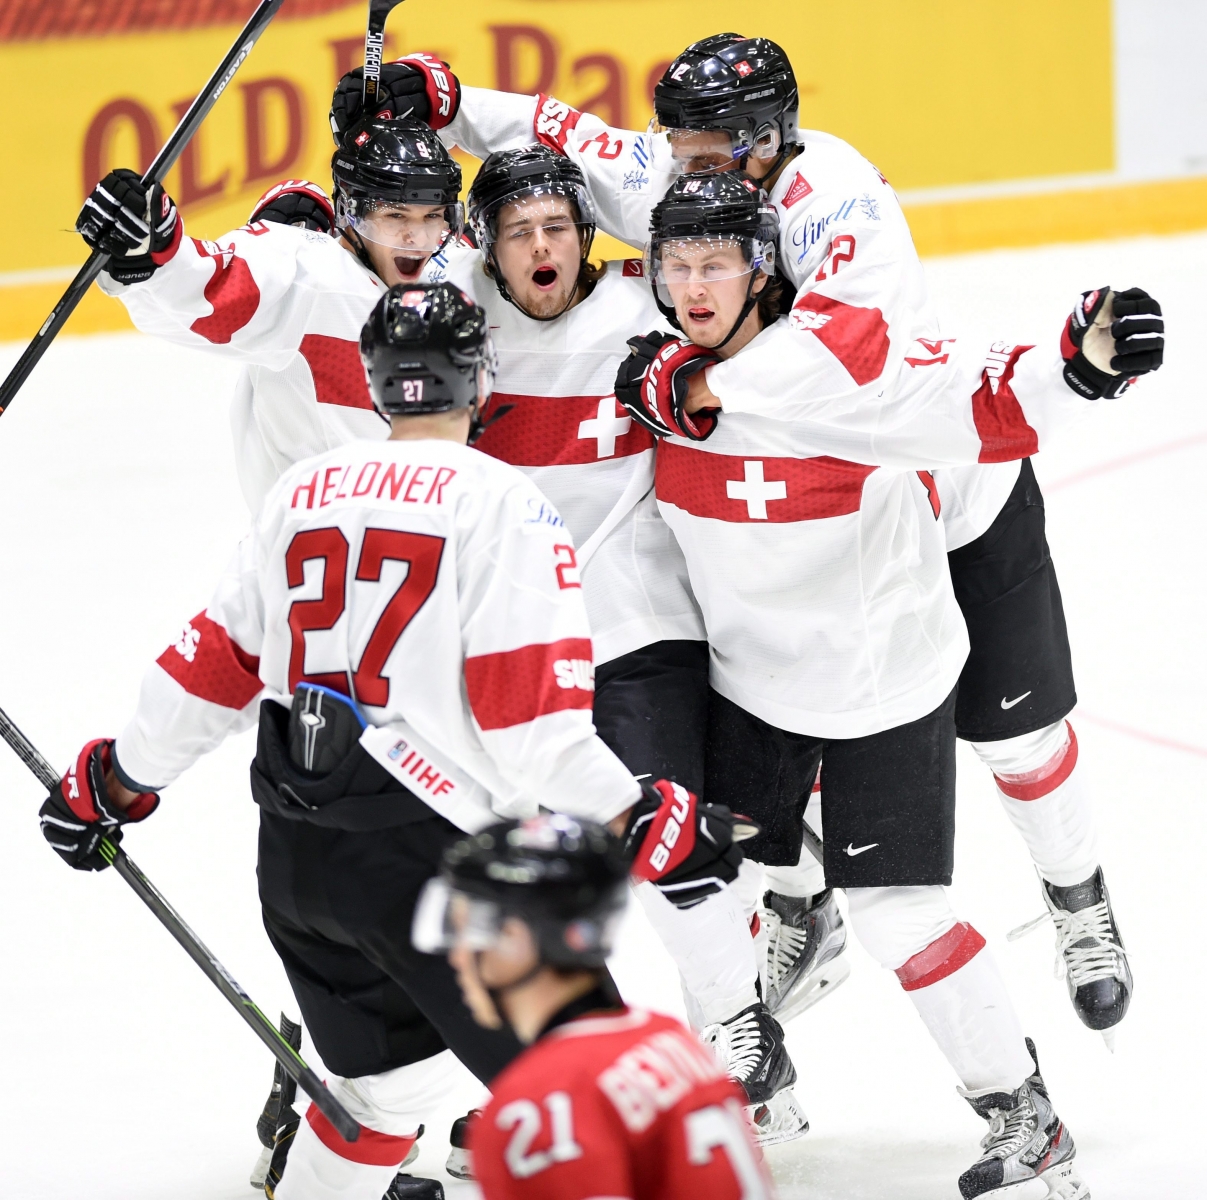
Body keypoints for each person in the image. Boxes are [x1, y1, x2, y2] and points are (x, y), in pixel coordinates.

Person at [334, 35, 1155, 1039]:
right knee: (760, 736)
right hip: (790, 519)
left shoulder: (838, 199)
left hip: (935, 494)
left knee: (1011, 731)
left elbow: (847, 358)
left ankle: (1078, 899)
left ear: (764, 141)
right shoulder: (703, 176)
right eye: (677, 147)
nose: (677, 167)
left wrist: (696, 386)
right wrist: (449, 101)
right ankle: (804, 906)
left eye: (701, 148)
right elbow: (578, 145)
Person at [36, 283, 749, 1200]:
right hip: (441, 870)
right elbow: (527, 722)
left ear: (376, 384)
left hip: (298, 867)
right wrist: (638, 814)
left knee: (383, 1097)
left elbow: (213, 664)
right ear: (479, 377)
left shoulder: (302, 490)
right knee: (608, 1110)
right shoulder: (502, 503)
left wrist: (117, 780)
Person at [614, 171, 1161, 1199]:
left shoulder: (839, 381)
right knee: (697, 882)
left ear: (764, 268)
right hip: (746, 695)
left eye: (716, 264)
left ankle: (1023, 1116)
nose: (692, 287)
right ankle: (750, 1093)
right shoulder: (644, 382)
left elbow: (983, 402)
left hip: (884, 693)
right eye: (674, 266)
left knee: (899, 916)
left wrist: (1082, 368)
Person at [446, 144, 805, 1143]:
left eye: (558, 226)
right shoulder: (455, 322)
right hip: (509, 643)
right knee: (504, 877)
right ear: (489, 246)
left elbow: (776, 331)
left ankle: (742, 1035)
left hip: (638, 625)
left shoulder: (647, 312)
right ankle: (545, 1092)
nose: (541, 246)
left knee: (665, 836)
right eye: (519, 233)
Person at [76, 114, 468, 511]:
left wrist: (451, 105)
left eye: (433, 216)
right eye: (395, 216)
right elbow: (215, 287)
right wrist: (158, 252)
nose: (417, 238)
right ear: (351, 212)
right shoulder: (309, 276)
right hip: (321, 558)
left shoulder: (458, 280)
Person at [413, 812, 775, 1200]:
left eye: (469, 931)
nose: (456, 957)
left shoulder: (538, 1111)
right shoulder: (670, 1041)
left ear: (517, 939)